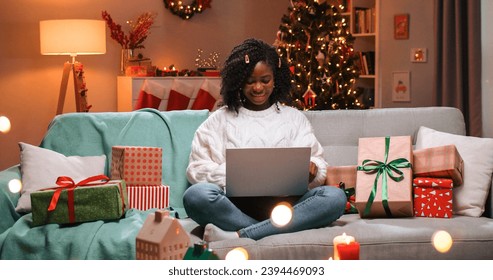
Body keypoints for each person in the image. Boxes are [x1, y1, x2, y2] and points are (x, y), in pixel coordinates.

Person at [183, 38, 346, 242]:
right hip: (235, 207)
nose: (258, 88)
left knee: (335, 198)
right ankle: (267, 231)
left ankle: (241, 235)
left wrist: (314, 169)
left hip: (289, 206)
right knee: (195, 196)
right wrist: (234, 173)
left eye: (265, 80)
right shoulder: (217, 121)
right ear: (238, 81)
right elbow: (195, 169)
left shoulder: (294, 118)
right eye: (250, 81)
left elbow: (319, 163)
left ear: (276, 79)